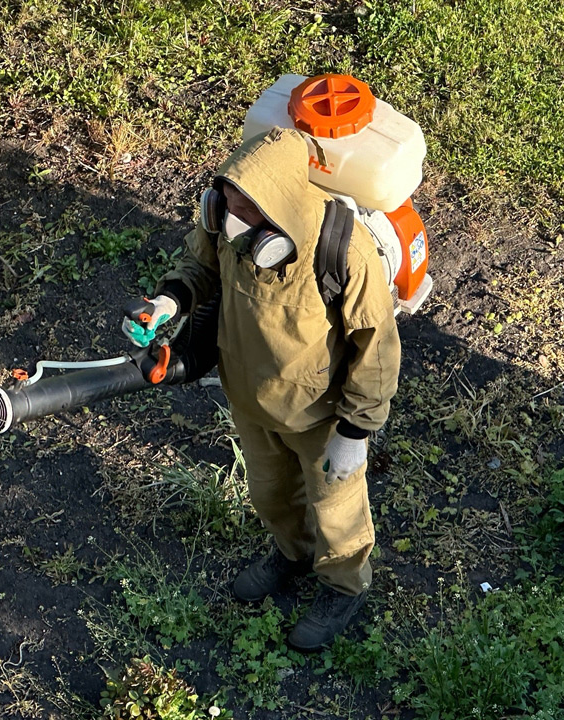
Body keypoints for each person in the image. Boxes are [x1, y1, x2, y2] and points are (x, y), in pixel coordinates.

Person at [122, 127, 401, 651]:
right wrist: (168, 302)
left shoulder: (343, 250)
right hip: (251, 397)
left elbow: (376, 347)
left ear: (280, 206)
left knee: (336, 510)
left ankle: (343, 587)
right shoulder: (225, 224)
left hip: (320, 414)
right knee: (270, 493)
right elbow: (199, 266)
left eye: (246, 209)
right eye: (227, 201)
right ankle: (292, 552)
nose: (231, 220)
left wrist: (356, 432)